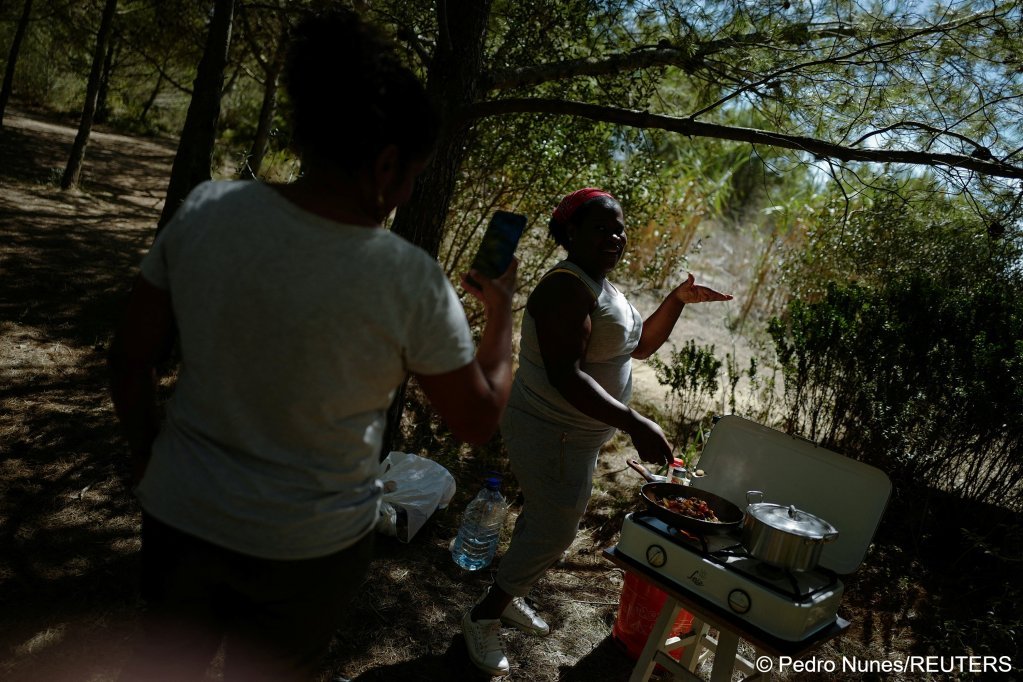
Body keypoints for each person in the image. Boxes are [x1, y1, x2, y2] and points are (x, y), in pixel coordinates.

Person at [108, 9, 516, 682]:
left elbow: (128, 359)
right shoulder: (405, 277)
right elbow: (476, 419)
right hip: (307, 551)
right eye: (413, 173)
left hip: (182, 516)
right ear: (386, 164)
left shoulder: (208, 210)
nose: (409, 188)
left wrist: (150, 453)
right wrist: (498, 318)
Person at [459, 188, 732, 676]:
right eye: (603, 228)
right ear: (571, 233)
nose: (617, 236)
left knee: (546, 517)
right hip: (549, 427)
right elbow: (566, 375)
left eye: (620, 227)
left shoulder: (603, 286)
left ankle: (507, 592)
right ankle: (482, 616)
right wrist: (634, 422)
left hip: (576, 434)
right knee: (556, 527)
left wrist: (677, 299)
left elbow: (640, 346)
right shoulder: (567, 286)